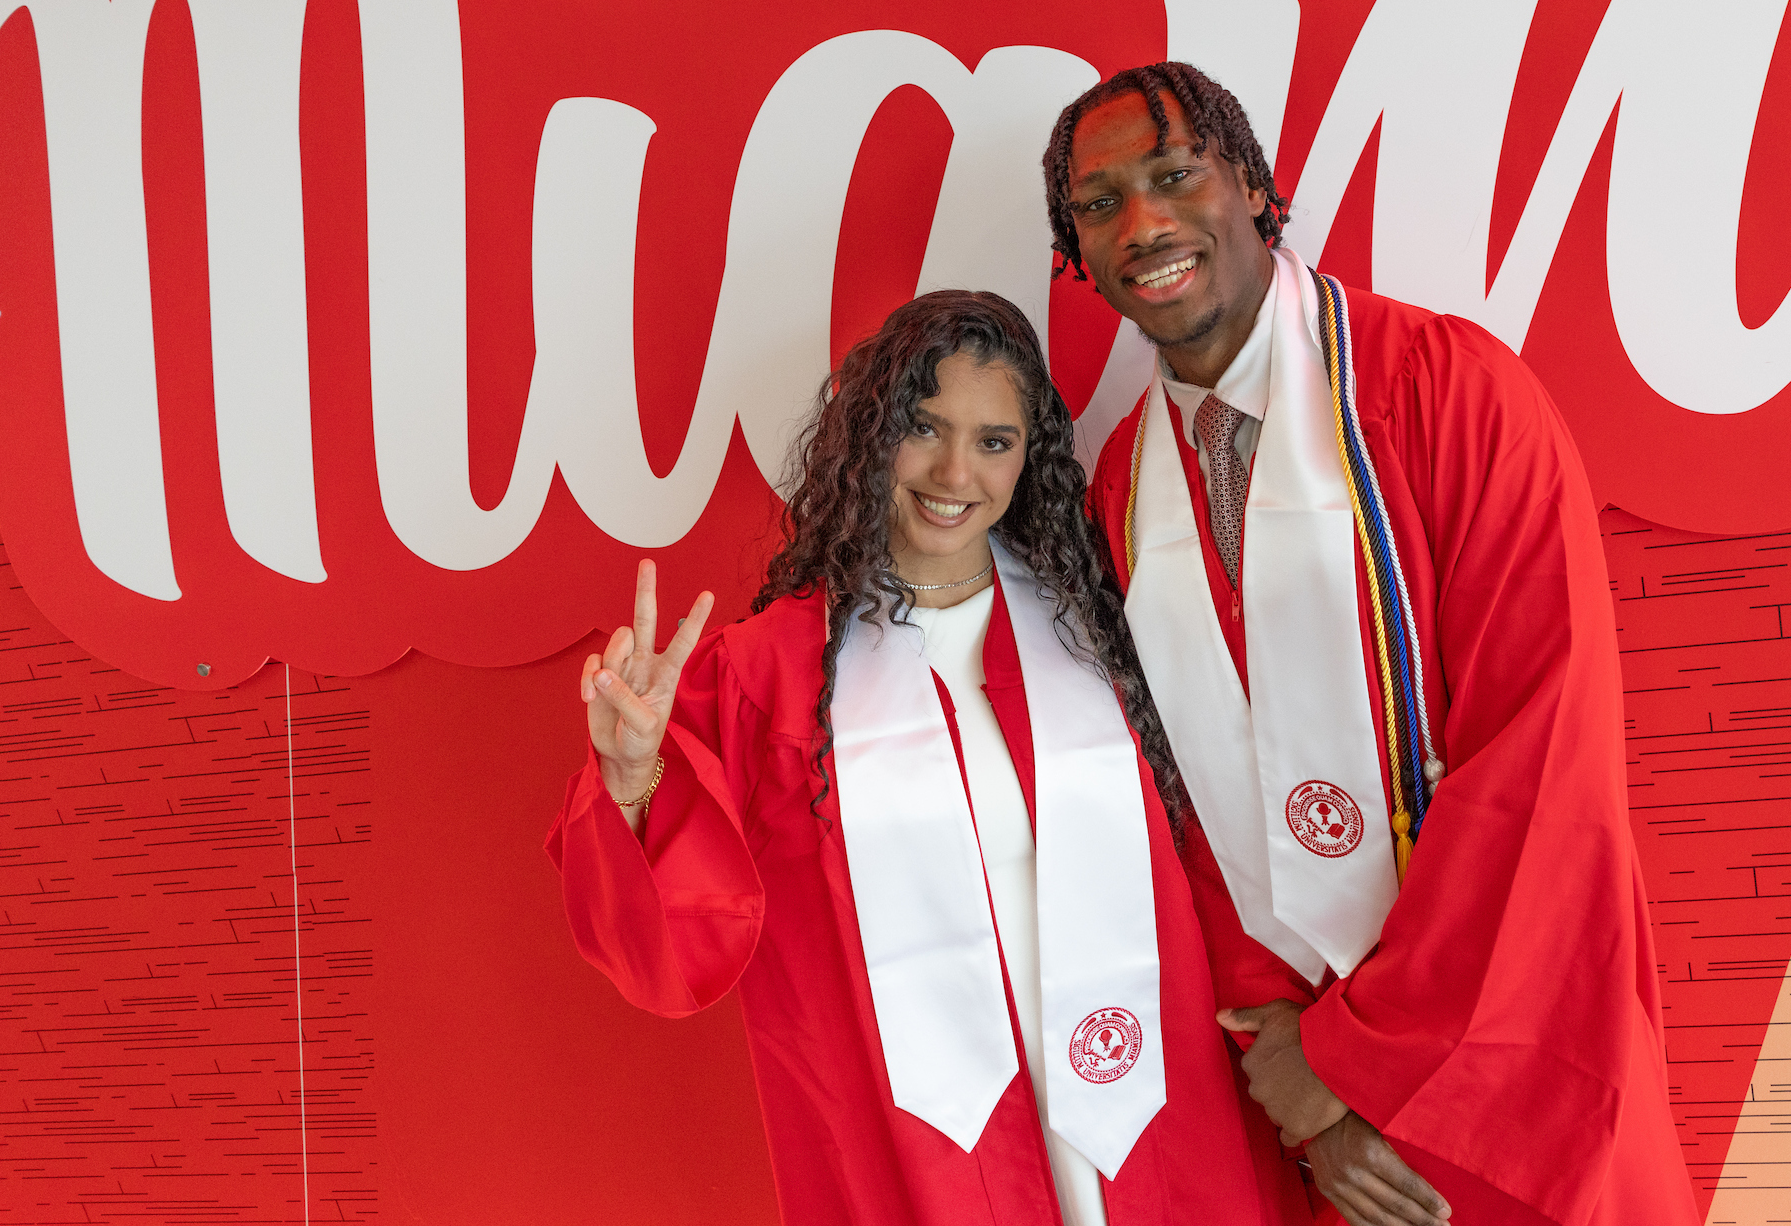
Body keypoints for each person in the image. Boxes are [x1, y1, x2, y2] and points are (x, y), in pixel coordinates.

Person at [1046, 64, 1694, 1226]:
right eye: (1100, 205)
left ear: (1249, 182)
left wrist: (1351, 1060)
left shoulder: (1450, 395)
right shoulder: (1120, 494)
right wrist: (1299, 1091)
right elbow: (1182, 824)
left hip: (1511, 1068)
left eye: (1174, 174)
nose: (1143, 224)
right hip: (1302, 1129)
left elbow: (1542, 764)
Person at [547, 291, 1309, 1226]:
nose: (956, 470)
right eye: (924, 428)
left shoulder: (1101, 628)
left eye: (995, 440)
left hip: (1148, 1099)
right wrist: (632, 777)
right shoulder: (767, 676)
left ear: (1031, 457)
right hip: (924, 1148)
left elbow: (1219, 852)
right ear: (871, 436)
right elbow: (671, 936)